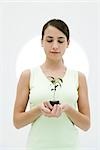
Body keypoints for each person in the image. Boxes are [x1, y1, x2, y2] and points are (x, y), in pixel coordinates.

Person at [13, 19, 90, 150]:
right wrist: (38, 109)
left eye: (60, 41)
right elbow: (17, 122)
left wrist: (68, 109)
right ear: (41, 42)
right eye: (49, 40)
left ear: (68, 43)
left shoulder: (79, 77)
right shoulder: (28, 75)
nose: (55, 46)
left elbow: (86, 125)